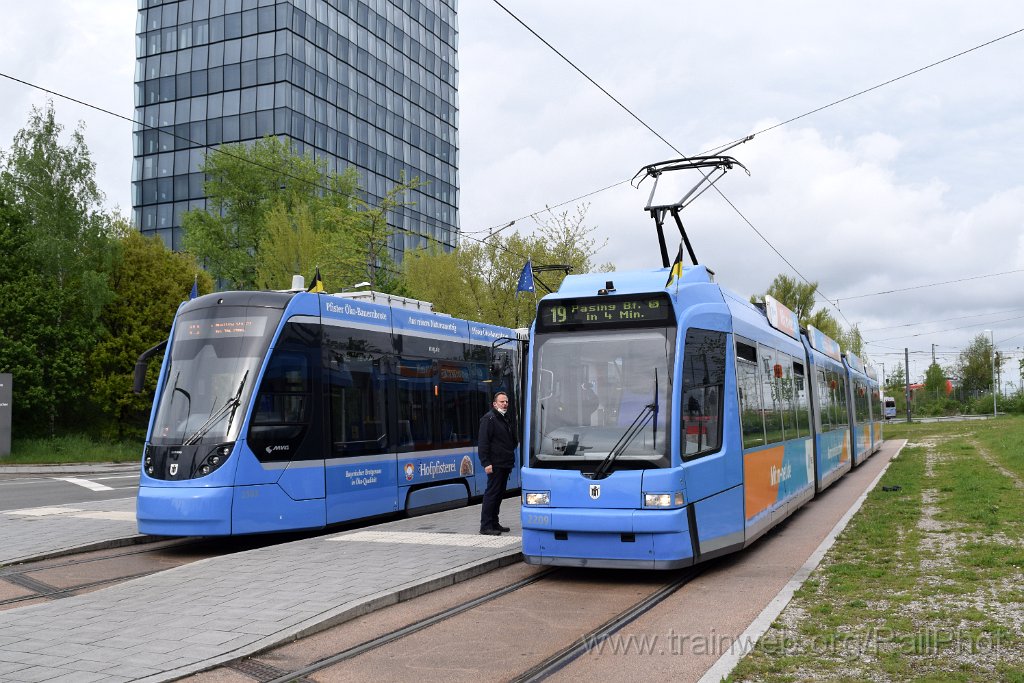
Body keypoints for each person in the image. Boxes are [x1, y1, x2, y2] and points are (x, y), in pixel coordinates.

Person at [478, 390, 517, 535]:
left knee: (499, 494)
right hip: (495, 464)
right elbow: (483, 443)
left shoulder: (504, 418)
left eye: (506, 401)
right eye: (502, 401)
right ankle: (486, 526)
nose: (505, 404)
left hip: (505, 463)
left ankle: (494, 522)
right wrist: (486, 463)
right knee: (492, 494)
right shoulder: (489, 419)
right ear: (495, 404)